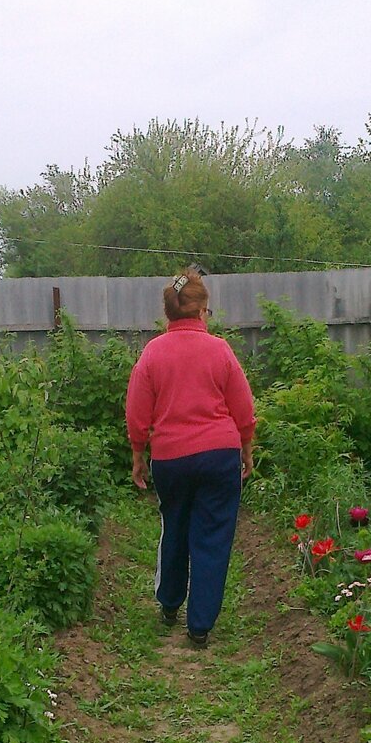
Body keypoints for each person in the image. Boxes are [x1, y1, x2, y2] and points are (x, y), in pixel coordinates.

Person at [125, 266, 256, 648]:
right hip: (219, 456)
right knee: (213, 536)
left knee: (175, 525)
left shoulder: (152, 353)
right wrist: (246, 447)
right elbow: (242, 407)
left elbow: (137, 411)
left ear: (169, 313)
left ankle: (169, 603)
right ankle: (199, 626)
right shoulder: (220, 350)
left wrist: (138, 454)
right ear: (201, 311)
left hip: (171, 458)